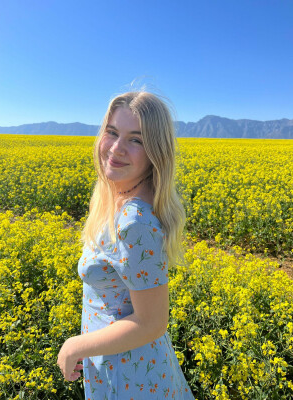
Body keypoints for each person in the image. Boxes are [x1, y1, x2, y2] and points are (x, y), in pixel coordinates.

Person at [57, 91, 195, 399]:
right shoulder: (114, 194)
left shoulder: (136, 223)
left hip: (129, 375)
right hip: (119, 361)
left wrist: (76, 345)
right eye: (112, 132)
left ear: (156, 152)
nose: (116, 149)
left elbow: (152, 322)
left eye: (136, 140)